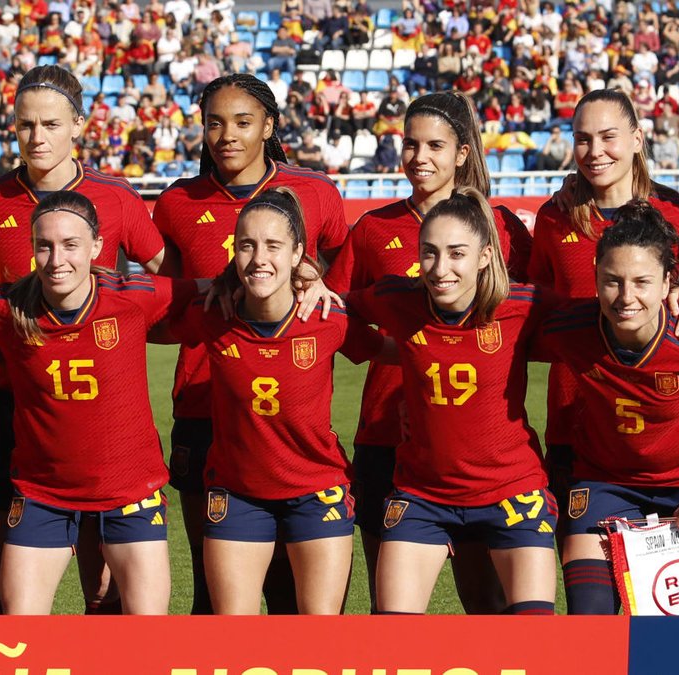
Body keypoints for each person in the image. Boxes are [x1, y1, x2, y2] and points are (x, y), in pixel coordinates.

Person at [0, 64, 167, 615]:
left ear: (78, 123)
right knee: (13, 591)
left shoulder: (116, 198)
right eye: (25, 125)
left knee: (102, 590)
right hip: (11, 403)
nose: (37, 137)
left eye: (50, 123)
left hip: (98, 417)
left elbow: (166, 275)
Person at [324, 90, 534, 613]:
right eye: (410, 144)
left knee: (486, 603)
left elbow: (530, 317)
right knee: (391, 610)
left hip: (477, 446)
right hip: (386, 431)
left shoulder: (502, 228)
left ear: (463, 152)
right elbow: (334, 311)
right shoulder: (373, 228)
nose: (420, 157)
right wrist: (393, 351)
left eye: (435, 145)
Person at [151, 73, 349, 614]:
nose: (227, 135)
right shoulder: (176, 202)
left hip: (288, 416)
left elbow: (344, 281)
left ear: (269, 126)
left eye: (242, 121)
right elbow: (167, 310)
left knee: (291, 593)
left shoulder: (316, 193)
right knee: (211, 592)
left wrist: (319, 277)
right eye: (214, 122)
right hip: (202, 403)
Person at [0, 192, 196, 615]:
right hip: (43, 493)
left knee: (146, 638)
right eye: (44, 245)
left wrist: (303, 275)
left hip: (131, 492)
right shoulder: (7, 305)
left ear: (97, 247)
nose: (56, 258)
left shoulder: (134, 294)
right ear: (31, 248)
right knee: (18, 629)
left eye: (70, 245)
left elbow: (223, 288)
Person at [537, 202, 679, 614]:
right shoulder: (568, 328)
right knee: (590, 621)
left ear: (667, 285)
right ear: (595, 279)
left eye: (641, 282)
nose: (626, 297)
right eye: (612, 281)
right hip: (605, 483)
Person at [168, 188, 384, 614]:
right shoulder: (213, 312)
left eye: (273, 246)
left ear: (297, 252)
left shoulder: (327, 317)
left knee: (318, 643)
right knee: (235, 644)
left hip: (316, 490)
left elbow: (403, 350)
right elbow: (143, 317)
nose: (259, 258)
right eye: (247, 245)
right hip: (238, 492)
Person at [346, 188, 557, 616]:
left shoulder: (523, 304)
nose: (440, 269)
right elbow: (335, 309)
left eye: (456, 253)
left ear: (484, 256)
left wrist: (678, 292)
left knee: (535, 640)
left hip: (511, 492)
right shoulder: (398, 298)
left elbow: (606, 320)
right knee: (393, 640)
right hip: (423, 495)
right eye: (429, 253)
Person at [533, 89, 679, 556]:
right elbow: (536, 311)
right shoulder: (554, 218)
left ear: (637, 139)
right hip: (577, 426)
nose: (595, 152)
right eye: (583, 139)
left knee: (671, 597)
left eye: (609, 137)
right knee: (590, 598)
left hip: (667, 437)